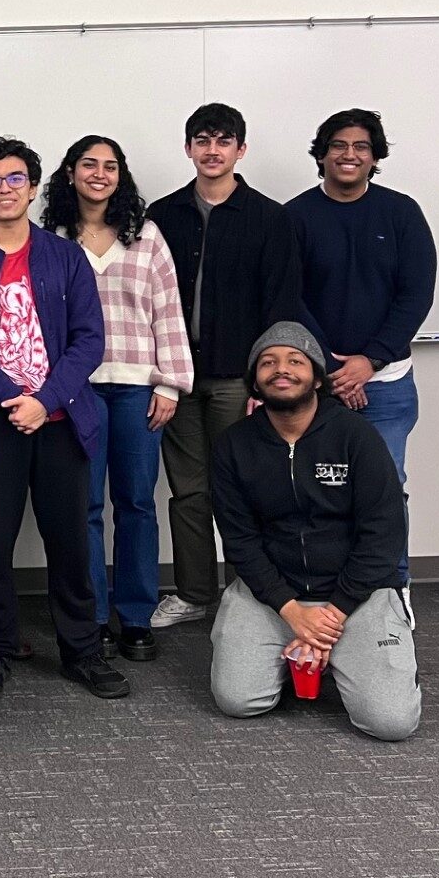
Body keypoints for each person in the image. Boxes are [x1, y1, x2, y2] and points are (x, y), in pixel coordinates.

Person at [0, 135, 125, 701]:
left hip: (61, 420)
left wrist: (46, 399)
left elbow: (90, 340)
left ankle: (82, 652)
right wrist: (10, 397)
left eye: (16, 178)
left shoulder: (65, 258)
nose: (5, 189)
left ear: (35, 187)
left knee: (70, 542)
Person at [208, 322, 420, 742]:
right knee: (238, 700)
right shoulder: (233, 445)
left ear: (317, 377)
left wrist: (331, 617)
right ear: (255, 380)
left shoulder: (357, 437)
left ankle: (338, 652)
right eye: (267, 362)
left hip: (356, 596)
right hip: (271, 595)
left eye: (295, 361)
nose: (280, 370)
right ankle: (301, 655)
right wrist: (291, 611)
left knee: (392, 723)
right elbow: (239, 541)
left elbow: (384, 534)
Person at [145, 103, 302, 630]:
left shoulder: (270, 218)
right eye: (202, 140)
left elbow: (280, 306)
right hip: (176, 379)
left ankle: (251, 596)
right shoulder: (161, 216)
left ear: (241, 149)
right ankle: (194, 594)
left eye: (224, 140)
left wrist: (267, 380)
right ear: (188, 148)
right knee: (189, 490)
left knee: (245, 487)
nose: (213, 150)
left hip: (239, 380)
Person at [40, 135, 193, 663]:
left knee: (135, 503)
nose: (99, 174)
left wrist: (170, 382)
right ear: (70, 173)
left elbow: (168, 311)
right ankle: (91, 616)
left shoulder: (145, 235)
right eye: (89, 164)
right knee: (82, 506)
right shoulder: (50, 236)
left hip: (136, 387)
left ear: (120, 175)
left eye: (110, 166)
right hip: (74, 387)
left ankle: (135, 616)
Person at [286, 109, 436, 596]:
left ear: (375, 158)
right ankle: (323, 592)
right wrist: (331, 369)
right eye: (338, 145)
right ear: (322, 153)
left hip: (387, 384)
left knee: (385, 488)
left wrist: (367, 362)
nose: (349, 155)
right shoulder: (295, 216)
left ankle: (391, 590)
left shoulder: (402, 213)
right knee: (313, 490)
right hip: (314, 385)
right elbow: (288, 297)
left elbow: (415, 294)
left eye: (361, 147)